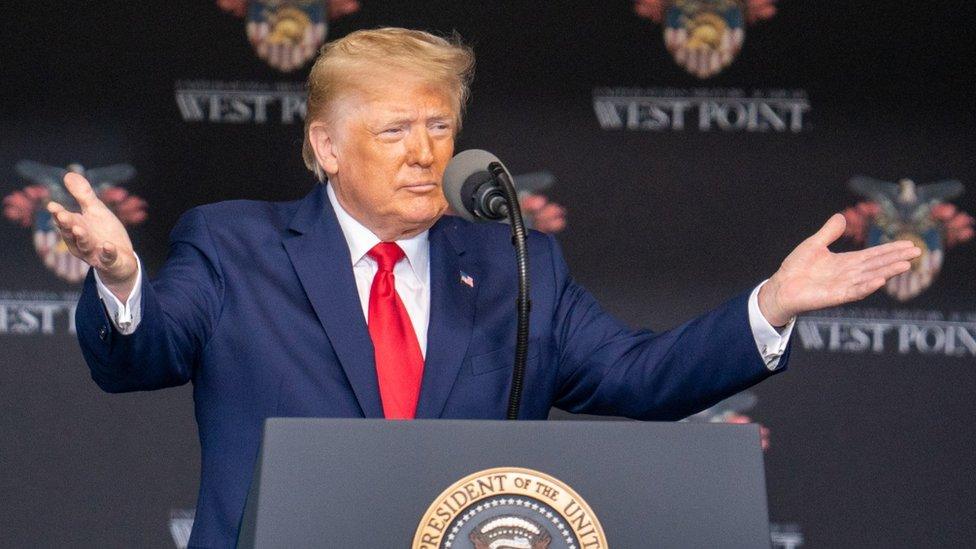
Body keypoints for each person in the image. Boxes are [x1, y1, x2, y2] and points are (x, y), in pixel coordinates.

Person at [47, 28, 920, 548]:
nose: (426, 152)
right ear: (326, 147)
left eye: (439, 126)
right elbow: (141, 355)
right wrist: (122, 278)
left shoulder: (512, 264)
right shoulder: (233, 245)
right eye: (394, 130)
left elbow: (640, 378)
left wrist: (771, 304)